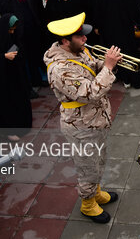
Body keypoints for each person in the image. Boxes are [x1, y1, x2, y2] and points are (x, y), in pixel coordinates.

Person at [43, 13, 121, 224]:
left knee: (98, 160)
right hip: (80, 125)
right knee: (87, 166)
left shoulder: (78, 49)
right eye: (80, 37)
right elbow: (89, 93)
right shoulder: (60, 69)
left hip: (96, 119)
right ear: (66, 41)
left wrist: (104, 64)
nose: (86, 39)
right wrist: (109, 68)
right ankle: (87, 203)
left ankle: (96, 192)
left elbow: (91, 65)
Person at [0, 15, 32, 129]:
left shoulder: (12, 35)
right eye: (10, 29)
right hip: (2, 78)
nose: (12, 32)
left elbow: (18, 45)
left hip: (14, 74)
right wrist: (4, 56)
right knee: (8, 104)